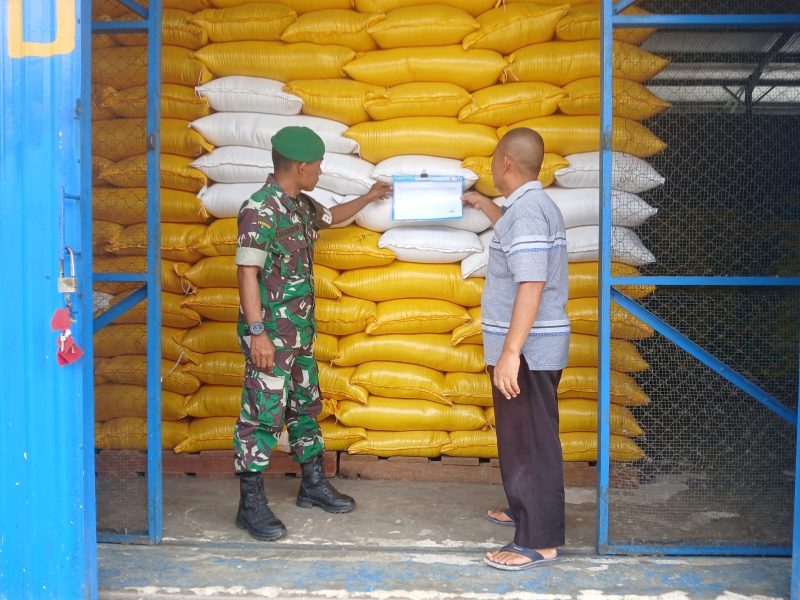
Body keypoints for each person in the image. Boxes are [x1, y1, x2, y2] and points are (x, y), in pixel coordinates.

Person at [234, 125, 391, 541]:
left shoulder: (300, 206)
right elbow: (247, 272)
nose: (321, 172)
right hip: (271, 336)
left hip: (300, 334)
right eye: (318, 166)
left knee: (305, 407)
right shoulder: (260, 209)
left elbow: (332, 217)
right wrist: (257, 333)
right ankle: (249, 504)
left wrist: (370, 197)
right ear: (300, 167)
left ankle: (312, 484)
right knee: (262, 414)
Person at [462, 127, 570, 570]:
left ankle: (538, 540)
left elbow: (532, 282)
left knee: (531, 441)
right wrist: (482, 204)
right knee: (521, 435)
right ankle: (524, 508)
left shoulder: (527, 213)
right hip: (530, 346)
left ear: (505, 162)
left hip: (528, 349)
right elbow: (512, 234)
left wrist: (510, 353)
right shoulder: (527, 208)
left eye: (493, 158)